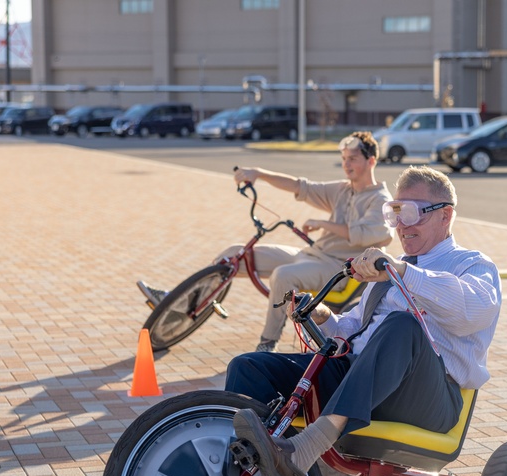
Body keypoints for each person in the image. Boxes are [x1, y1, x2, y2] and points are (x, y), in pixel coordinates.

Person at [225, 165, 502, 476]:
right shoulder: (390, 270)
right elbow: (350, 333)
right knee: (249, 367)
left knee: (402, 325)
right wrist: (323, 316)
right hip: (365, 383)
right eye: (395, 214)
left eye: (412, 214)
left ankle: (303, 450)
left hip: (431, 397)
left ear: (445, 216)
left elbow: (474, 312)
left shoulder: (472, 265)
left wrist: (403, 271)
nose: (402, 226)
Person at [137, 131, 394, 353]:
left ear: (371, 161)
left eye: (353, 159)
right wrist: (258, 174)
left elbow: (375, 235)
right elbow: (300, 186)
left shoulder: (380, 199)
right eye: (344, 159)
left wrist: (323, 224)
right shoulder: (342, 188)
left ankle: (267, 342)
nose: (346, 165)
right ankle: (177, 299)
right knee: (235, 253)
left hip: (339, 269)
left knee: (283, 275)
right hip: (310, 254)